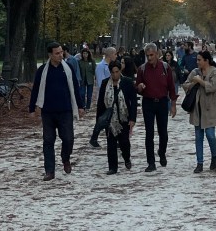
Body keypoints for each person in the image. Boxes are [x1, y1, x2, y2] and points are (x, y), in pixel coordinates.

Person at [29, 41, 84, 181]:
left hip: (65, 110)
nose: (60, 55)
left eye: (61, 52)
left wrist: (80, 105)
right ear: (50, 55)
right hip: (48, 111)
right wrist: (32, 108)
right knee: (48, 140)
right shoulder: (42, 70)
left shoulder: (68, 68)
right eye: (57, 53)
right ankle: (49, 170)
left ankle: (65, 158)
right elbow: (36, 89)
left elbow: (75, 88)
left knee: (68, 138)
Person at [135, 41, 177, 172]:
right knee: (149, 133)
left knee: (163, 132)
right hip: (148, 102)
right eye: (147, 55)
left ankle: (162, 151)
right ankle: (151, 162)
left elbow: (171, 86)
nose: (149, 58)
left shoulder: (165, 67)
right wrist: (140, 87)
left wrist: (173, 105)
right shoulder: (142, 69)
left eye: (152, 55)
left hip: (163, 102)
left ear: (158, 54)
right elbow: (137, 86)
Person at [96, 59, 137, 174]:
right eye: (112, 72)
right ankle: (112, 167)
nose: (115, 74)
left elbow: (133, 101)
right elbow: (100, 103)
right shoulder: (105, 83)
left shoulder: (127, 82)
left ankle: (127, 157)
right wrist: (99, 121)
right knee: (111, 143)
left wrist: (132, 119)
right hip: (109, 118)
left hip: (124, 117)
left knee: (124, 142)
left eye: (117, 72)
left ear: (120, 71)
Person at [185, 49, 216, 172]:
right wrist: (193, 84)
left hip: (210, 109)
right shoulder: (195, 72)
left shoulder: (215, 73)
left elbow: (212, 87)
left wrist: (200, 81)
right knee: (198, 136)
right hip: (197, 109)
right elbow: (185, 84)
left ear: (206, 60)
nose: (197, 62)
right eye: (197, 60)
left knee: (210, 135)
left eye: (199, 60)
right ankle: (199, 163)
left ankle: (214, 155)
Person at [89, 47, 117, 148]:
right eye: (115, 54)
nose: (116, 56)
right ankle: (94, 138)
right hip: (103, 96)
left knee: (110, 117)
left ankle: (111, 138)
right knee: (102, 118)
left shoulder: (111, 66)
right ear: (110, 55)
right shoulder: (101, 67)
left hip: (110, 95)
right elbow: (101, 83)